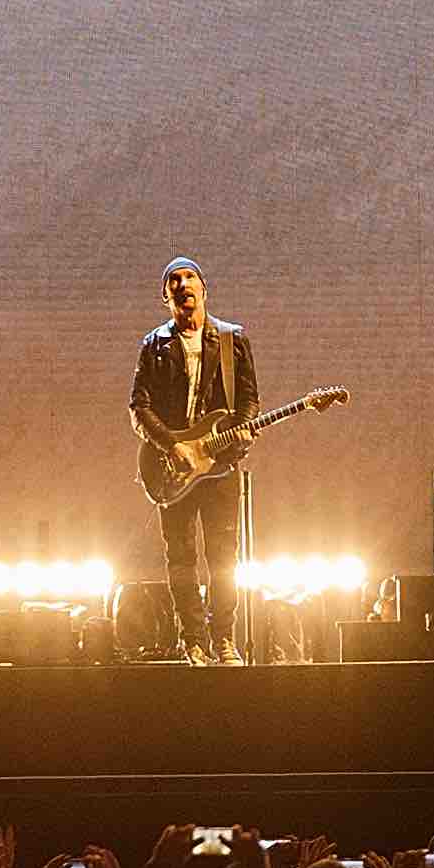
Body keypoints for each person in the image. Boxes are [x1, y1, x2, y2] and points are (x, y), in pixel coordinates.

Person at [128, 256, 259, 666]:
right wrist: (172, 446)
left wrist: (240, 435)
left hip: (219, 467)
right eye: (174, 280)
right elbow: (139, 405)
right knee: (181, 558)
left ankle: (224, 639)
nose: (183, 285)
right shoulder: (154, 344)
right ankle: (193, 641)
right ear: (165, 296)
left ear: (204, 289)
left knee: (224, 557)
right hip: (173, 469)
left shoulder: (232, 338)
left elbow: (249, 399)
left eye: (190, 278)